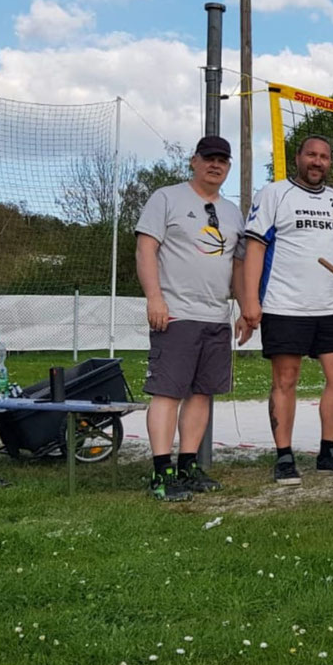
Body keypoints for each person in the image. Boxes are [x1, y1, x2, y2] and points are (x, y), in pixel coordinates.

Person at [133, 134, 250, 502]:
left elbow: (237, 264)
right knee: (168, 392)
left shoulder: (232, 212)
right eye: (209, 158)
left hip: (216, 313)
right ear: (194, 161)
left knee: (202, 393)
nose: (216, 165)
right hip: (177, 313)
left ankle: (188, 465)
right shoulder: (166, 197)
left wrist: (245, 308)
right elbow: (145, 248)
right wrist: (155, 298)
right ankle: (161, 470)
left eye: (223, 160)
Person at [239, 135, 333, 486]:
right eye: (311, 155)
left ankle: (329, 452)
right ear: (298, 157)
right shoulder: (274, 194)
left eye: (323, 156)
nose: (317, 161)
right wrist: (250, 300)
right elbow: (255, 249)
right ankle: (285, 456)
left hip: (331, 306)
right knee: (285, 380)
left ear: (329, 162)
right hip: (284, 304)